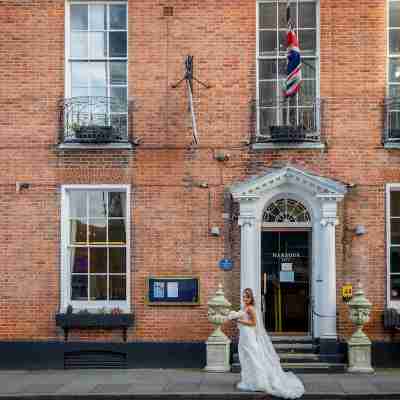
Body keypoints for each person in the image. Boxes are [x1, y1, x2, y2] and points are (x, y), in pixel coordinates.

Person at [231, 287, 305, 399]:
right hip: (245, 336)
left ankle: (260, 382)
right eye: (244, 296)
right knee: (248, 359)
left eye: (247, 296)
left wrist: (238, 320)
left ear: (251, 298)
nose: (245, 298)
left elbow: (253, 323)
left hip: (249, 336)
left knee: (254, 358)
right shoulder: (245, 307)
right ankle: (252, 380)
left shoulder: (250, 308)